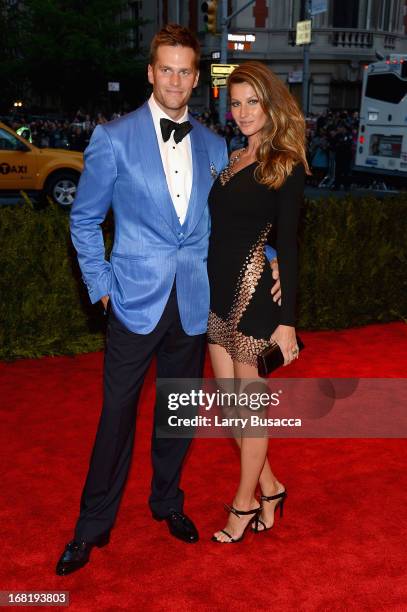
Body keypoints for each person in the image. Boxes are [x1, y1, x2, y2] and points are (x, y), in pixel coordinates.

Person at [207, 61, 309, 543]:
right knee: (231, 414)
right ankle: (271, 489)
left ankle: (243, 506)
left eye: (252, 101)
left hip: (254, 300)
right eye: (236, 102)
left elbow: (288, 243)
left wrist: (287, 322)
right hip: (217, 296)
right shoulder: (233, 157)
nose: (243, 112)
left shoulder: (284, 163)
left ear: (270, 104)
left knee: (250, 413)